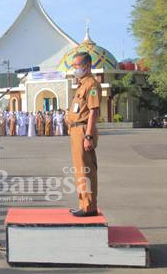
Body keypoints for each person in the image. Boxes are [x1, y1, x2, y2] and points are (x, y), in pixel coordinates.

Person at [66, 52, 102, 217]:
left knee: (86, 169)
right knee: (80, 170)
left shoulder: (92, 85)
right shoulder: (81, 85)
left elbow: (93, 111)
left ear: (87, 66)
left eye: (77, 65)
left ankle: (89, 207)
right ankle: (83, 203)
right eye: (73, 65)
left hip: (82, 130)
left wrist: (88, 136)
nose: (75, 68)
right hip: (75, 130)